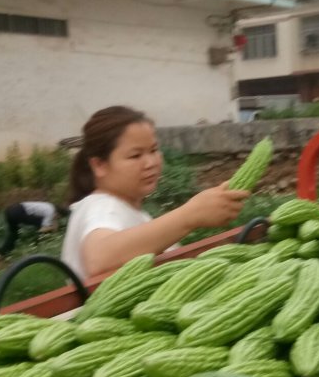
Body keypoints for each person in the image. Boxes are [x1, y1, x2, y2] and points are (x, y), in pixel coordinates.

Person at [61, 105, 249, 280]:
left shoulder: (133, 212)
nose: (151, 163)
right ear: (99, 165)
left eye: (153, 150)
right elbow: (99, 260)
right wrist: (190, 215)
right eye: (136, 155)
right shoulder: (100, 207)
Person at [0, 200, 67, 256]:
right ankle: (38, 248)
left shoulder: (49, 206)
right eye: (58, 217)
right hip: (19, 211)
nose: (57, 219)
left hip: (9, 211)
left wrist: (53, 225)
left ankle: (2, 254)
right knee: (41, 225)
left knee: (13, 234)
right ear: (58, 213)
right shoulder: (51, 211)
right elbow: (42, 230)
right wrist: (52, 227)